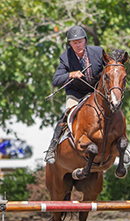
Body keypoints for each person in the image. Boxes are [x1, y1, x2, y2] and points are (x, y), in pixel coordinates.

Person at [44, 25, 105, 164]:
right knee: (68, 113)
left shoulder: (98, 51)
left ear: (85, 41)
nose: (78, 45)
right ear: (70, 44)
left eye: (80, 42)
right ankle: (51, 148)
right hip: (76, 94)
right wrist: (70, 74)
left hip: (95, 93)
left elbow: (108, 69)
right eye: (74, 43)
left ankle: (122, 146)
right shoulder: (66, 57)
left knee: (113, 108)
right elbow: (55, 80)